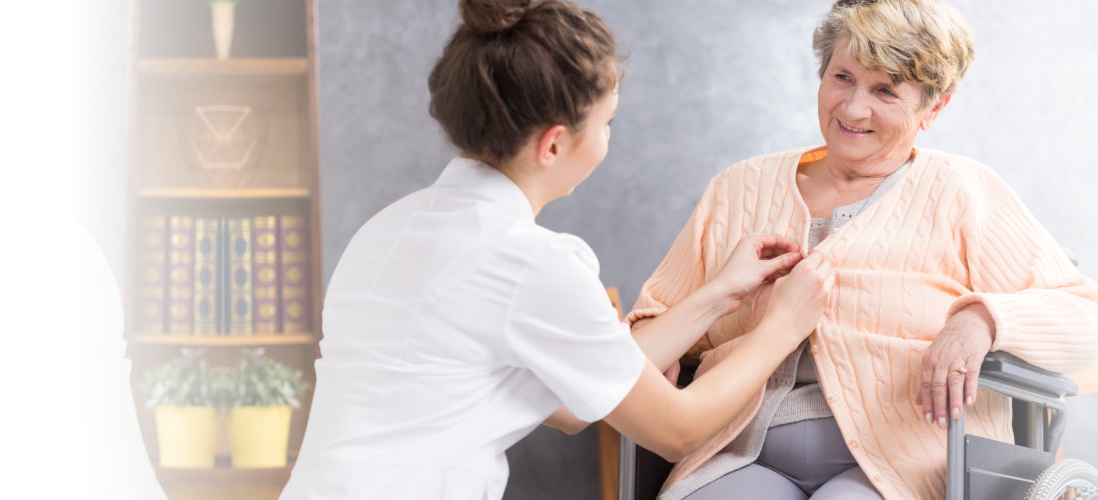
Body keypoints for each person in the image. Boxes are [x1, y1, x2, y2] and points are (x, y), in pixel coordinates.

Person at [279, 1, 836, 499]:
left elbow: (575, 404)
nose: (609, 138)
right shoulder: (528, 263)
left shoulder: (389, 229)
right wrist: (782, 327)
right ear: (554, 143)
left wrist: (717, 296)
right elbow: (677, 429)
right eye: (607, 122)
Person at [626, 1, 1098, 498]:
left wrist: (981, 320)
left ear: (934, 106)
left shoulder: (963, 192)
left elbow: (1086, 314)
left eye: (886, 90)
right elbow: (652, 321)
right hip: (734, 450)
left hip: (904, 463)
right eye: (842, 77)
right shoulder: (739, 188)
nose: (854, 108)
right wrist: (663, 346)